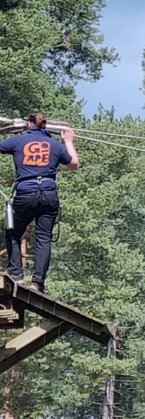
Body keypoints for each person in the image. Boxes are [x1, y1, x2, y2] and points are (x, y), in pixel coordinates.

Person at [0, 113, 79, 293]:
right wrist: (68, 141)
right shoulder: (56, 145)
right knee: (44, 238)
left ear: (29, 123)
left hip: (25, 193)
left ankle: (17, 276)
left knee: (13, 232)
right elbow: (74, 164)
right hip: (48, 194)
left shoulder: (18, 141)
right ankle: (37, 283)